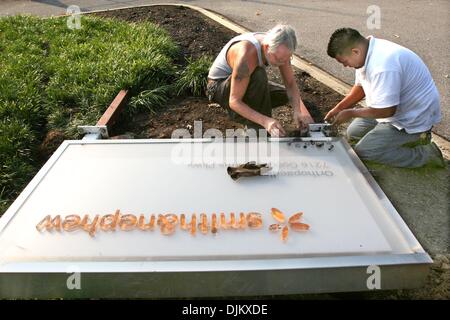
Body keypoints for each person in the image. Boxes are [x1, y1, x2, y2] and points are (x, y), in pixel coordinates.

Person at [324, 28, 445, 168]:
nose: (345, 66)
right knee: (353, 133)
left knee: (364, 152)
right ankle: (396, 142)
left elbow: (387, 111)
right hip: (392, 110)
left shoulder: (383, 65)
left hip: (411, 118)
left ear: (355, 51)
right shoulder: (366, 52)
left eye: (344, 61)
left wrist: (351, 113)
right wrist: (339, 108)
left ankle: (427, 154)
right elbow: (361, 88)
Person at [206, 24, 313, 137]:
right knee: (259, 75)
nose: (282, 63)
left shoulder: (279, 49)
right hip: (218, 88)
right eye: (278, 59)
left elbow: (290, 84)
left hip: (243, 82)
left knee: (285, 94)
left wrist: (298, 111)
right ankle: (257, 131)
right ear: (267, 47)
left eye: (286, 59)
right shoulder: (247, 56)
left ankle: (256, 112)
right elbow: (234, 102)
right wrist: (265, 121)